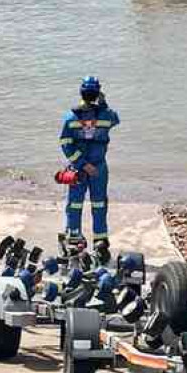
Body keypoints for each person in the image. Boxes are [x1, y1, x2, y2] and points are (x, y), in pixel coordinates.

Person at [59, 76, 120, 256]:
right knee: (99, 204)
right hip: (98, 168)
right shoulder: (106, 116)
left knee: (75, 204)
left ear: (81, 93)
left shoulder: (71, 117)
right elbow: (116, 119)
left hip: (78, 168)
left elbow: (65, 143)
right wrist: (104, 103)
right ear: (97, 93)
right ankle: (100, 241)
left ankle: (74, 239)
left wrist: (82, 164)